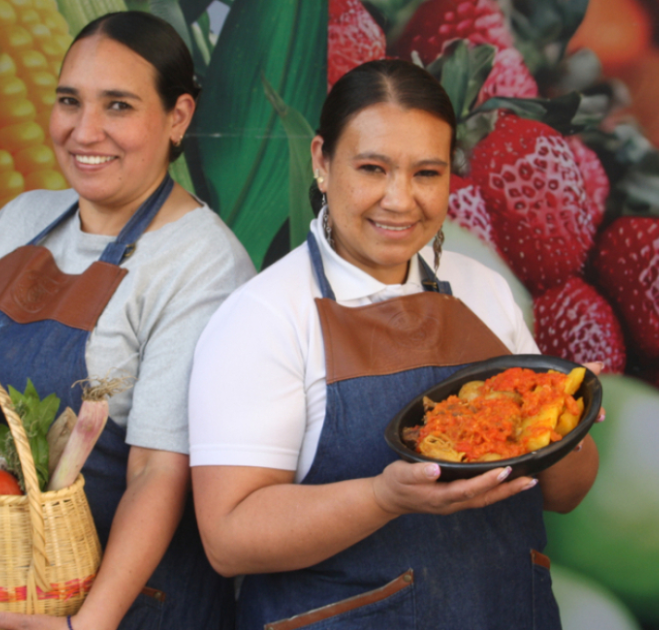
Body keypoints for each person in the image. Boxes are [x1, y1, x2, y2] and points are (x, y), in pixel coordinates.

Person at [188, 59, 600, 629]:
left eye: (426, 173)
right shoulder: (263, 317)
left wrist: (564, 419)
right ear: (321, 162)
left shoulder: (484, 291)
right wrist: (385, 498)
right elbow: (230, 538)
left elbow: (564, 494)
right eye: (373, 168)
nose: (400, 200)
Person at [0, 12, 254, 630]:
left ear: (178, 118)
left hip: (123, 605)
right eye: (69, 101)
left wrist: (86, 626)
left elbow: (157, 471)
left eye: (117, 106)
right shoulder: (16, 221)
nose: (85, 131)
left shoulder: (202, 265)